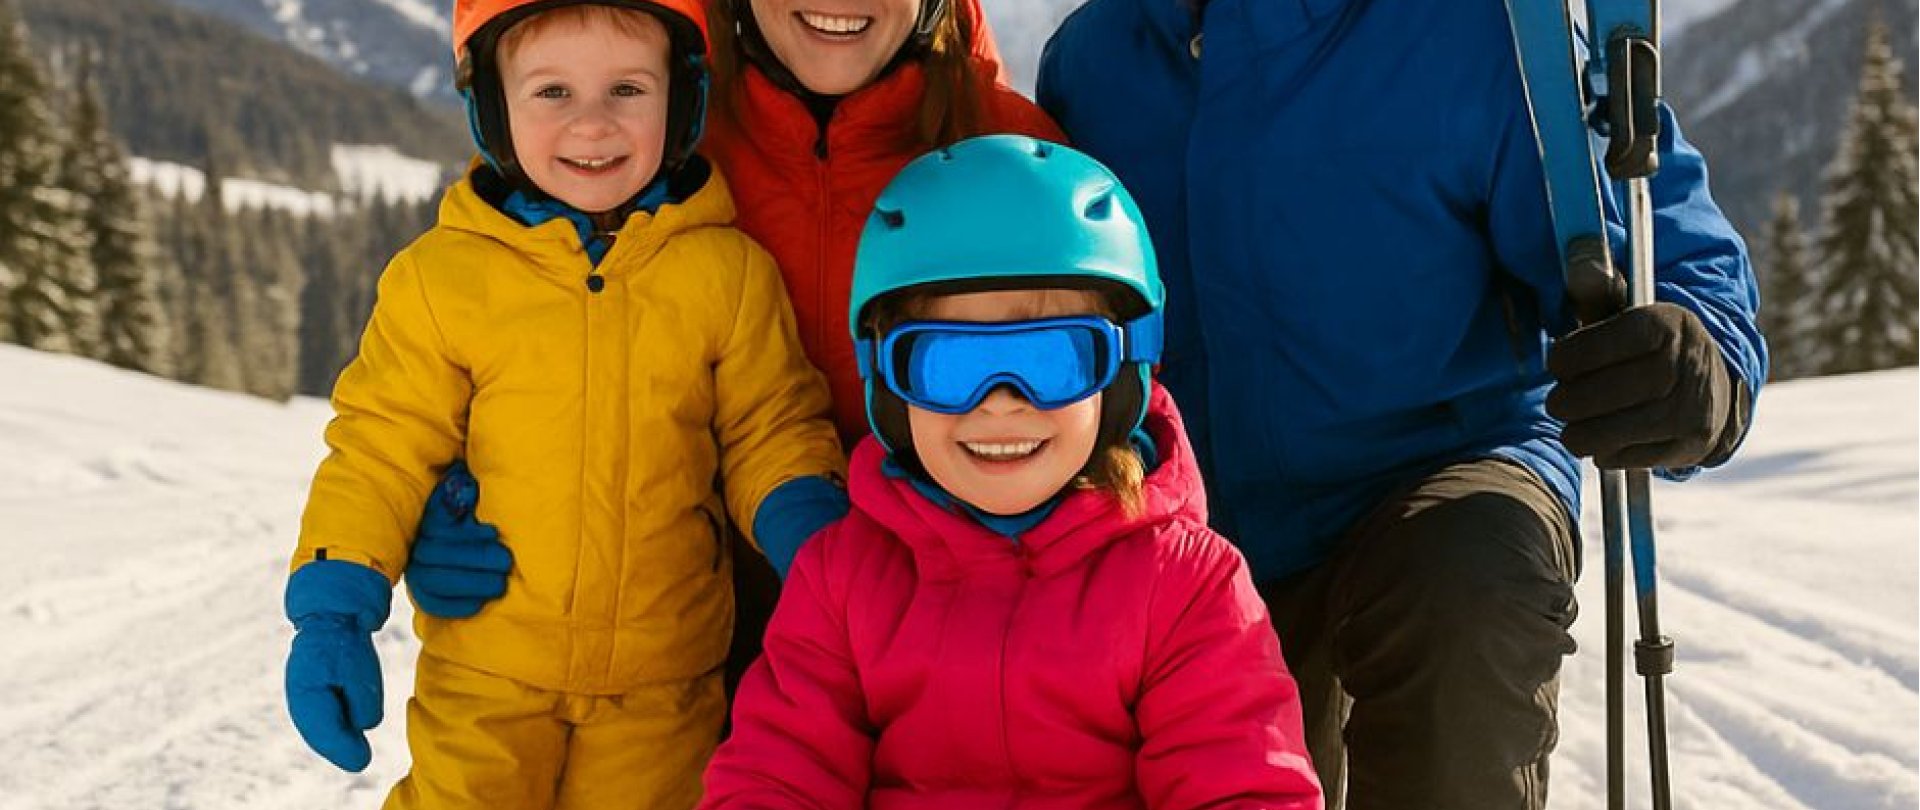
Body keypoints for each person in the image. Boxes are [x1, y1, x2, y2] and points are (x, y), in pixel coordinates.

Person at [1036, 1, 1766, 809]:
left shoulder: (1482, 29)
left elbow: (1648, 218)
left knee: (1464, 595)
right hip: (1197, 526)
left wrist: (1700, 363)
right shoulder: (1094, 61)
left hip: (1443, 473)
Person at [403, 0, 1066, 696]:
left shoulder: (1014, 157)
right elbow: (502, 305)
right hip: (682, 653)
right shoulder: (645, 118)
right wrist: (450, 489)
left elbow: (1104, 415)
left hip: (949, 640)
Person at [280, 1, 843, 807]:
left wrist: (811, 534)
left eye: (626, 89)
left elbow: (771, 427)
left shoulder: (727, 273)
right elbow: (382, 446)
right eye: (551, 93)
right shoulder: (444, 279)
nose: (592, 125)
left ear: (681, 102)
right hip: (489, 675)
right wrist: (334, 608)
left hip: (664, 682)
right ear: (491, 107)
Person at [700, 134, 1322, 810]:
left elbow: (1244, 787)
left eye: (1051, 361)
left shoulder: (1182, 584)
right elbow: (778, 776)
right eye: (948, 364)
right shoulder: (843, 580)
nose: (999, 400)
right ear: (888, 386)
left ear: (1120, 378)